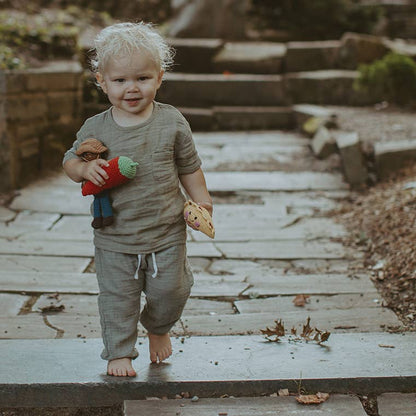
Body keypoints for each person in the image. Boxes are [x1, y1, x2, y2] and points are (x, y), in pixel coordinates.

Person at [62, 21, 212, 377]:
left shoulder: (172, 122)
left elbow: (190, 167)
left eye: (142, 79)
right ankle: (119, 352)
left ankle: (158, 327)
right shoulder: (95, 128)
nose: (132, 88)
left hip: (166, 229)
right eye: (120, 81)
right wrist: (84, 171)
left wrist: (202, 200)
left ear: (159, 78)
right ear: (102, 81)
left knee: (172, 290)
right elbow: (69, 161)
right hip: (115, 236)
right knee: (118, 298)